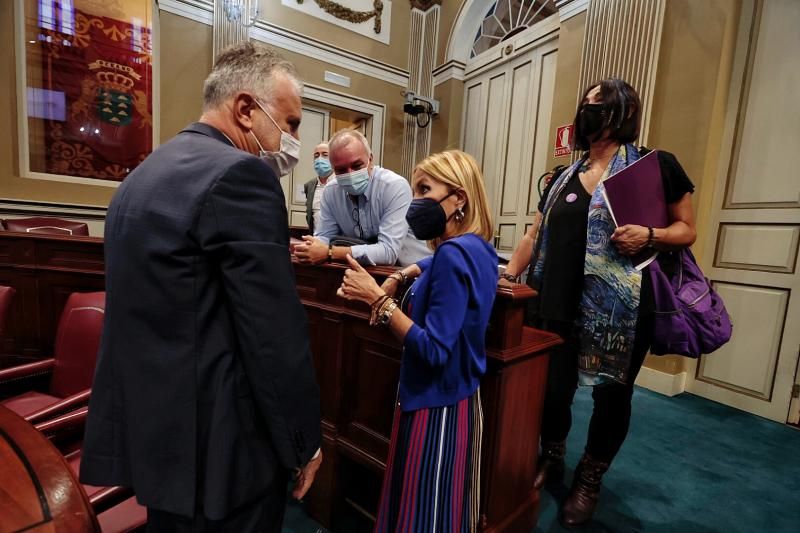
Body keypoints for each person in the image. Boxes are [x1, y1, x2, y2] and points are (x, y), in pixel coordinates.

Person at [80, 43, 322, 532]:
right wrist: (303, 442)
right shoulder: (242, 175)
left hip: (156, 433)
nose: (294, 139)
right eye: (291, 123)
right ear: (246, 109)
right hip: (223, 449)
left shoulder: (143, 174)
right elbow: (273, 335)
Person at [504, 78, 696, 527]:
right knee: (552, 391)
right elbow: (535, 234)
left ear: (623, 112)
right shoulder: (560, 177)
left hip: (623, 310)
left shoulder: (654, 166)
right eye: (585, 103)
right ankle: (551, 456)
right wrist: (510, 277)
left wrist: (651, 235)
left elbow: (687, 229)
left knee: (613, 396)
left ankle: (589, 478)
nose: (587, 111)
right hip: (553, 299)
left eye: (598, 104)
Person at [337, 150, 497, 532]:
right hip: (461, 397)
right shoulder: (480, 248)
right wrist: (404, 272)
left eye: (425, 189)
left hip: (434, 406)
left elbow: (433, 349)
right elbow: (440, 262)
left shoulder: (453, 256)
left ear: (459, 198)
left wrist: (377, 298)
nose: (417, 201)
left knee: (423, 514)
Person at [292, 129, 429, 266]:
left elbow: (388, 252)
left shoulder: (394, 187)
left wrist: (330, 252)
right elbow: (325, 236)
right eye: (341, 170)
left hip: (411, 271)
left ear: (370, 160)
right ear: (333, 169)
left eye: (357, 166)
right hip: (365, 269)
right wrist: (310, 248)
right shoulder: (331, 191)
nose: (350, 174)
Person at [303, 142, 333, 234]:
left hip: (338, 243)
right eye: (316, 156)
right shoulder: (309, 185)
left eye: (325, 155)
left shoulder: (341, 183)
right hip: (316, 240)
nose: (319, 159)